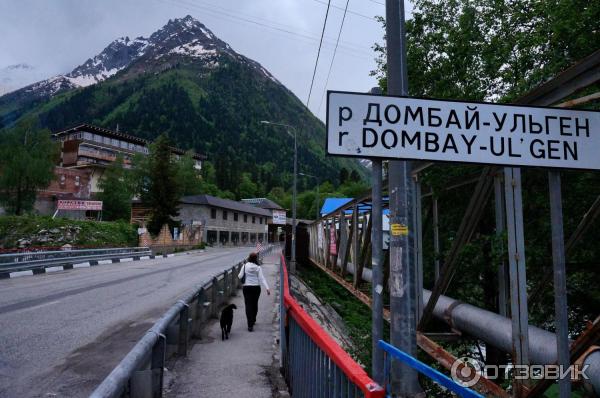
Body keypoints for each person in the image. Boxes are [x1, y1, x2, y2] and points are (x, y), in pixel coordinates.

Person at [238, 252, 270, 331]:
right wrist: (267, 288)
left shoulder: (245, 266)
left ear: (249, 258)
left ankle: (250, 325)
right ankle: (254, 319)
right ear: (256, 259)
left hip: (247, 288)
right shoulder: (258, 267)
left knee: (248, 305)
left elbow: (239, 276)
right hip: (256, 288)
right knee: (255, 304)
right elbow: (262, 278)